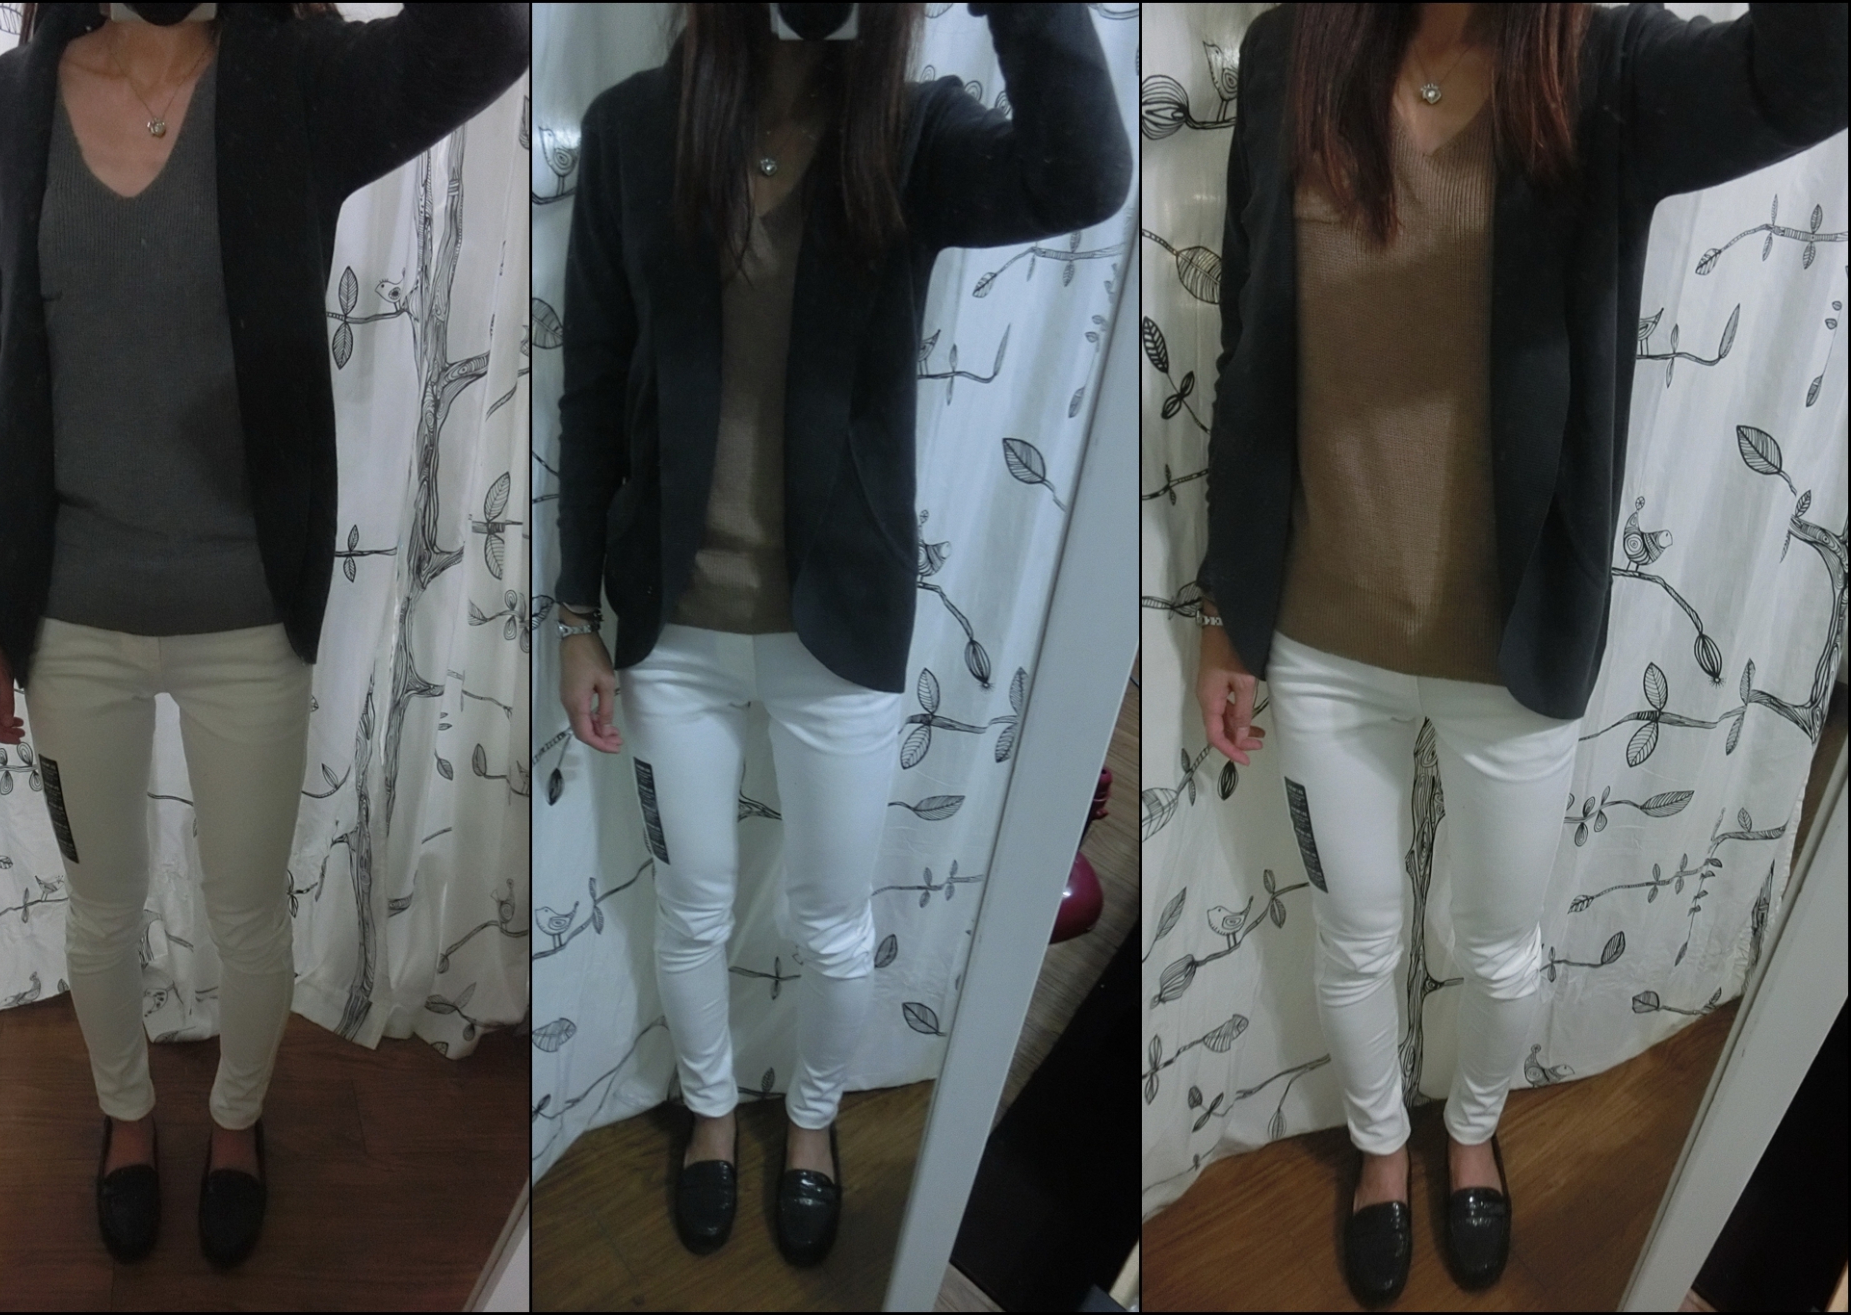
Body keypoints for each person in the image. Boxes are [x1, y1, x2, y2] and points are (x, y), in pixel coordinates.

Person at [1194, 1, 1847, 1306]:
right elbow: (1246, 343)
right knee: (1356, 936)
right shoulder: (1290, 52)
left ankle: (1473, 1126)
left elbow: (1808, 71)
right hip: (1320, 640)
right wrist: (1229, 612)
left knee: (1500, 947)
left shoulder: (1606, 71)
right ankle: (1383, 1146)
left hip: (1514, 653)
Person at [0, 0, 527, 1267]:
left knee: (248, 910)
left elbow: (487, 38)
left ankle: (235, 1122)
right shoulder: (8, 107)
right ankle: (125, 1115)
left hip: (246, 615)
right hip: (70, 616)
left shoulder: (296, 83)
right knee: (101, 905)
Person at [556, 0, 1130, 1266]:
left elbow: (1085, 173)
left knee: (832, 922)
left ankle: (810, 1118)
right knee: (693, 910)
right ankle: (713, 1111)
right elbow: (591, 375)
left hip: (841, 634)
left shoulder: (910, 140)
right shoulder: (635, 131)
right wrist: (571, 612)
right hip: (670, 633)